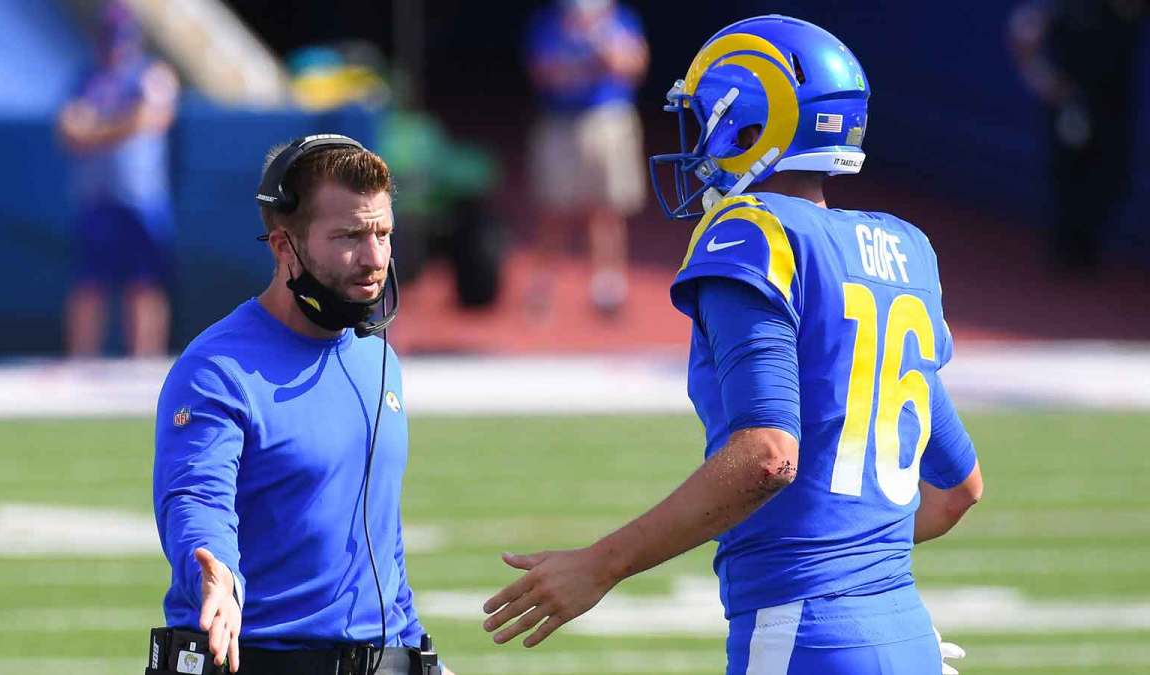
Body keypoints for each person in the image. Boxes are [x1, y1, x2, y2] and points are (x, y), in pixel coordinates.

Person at [483, 16, 983, 675]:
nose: (698, 140)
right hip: (906, 632)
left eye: (706, 117)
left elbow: (767, 455)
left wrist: (599, 564)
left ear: (755, 125)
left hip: (806, 630)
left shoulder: (754, 231)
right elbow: (958, 489)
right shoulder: (903, 249)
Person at [153, 135, 450, 675]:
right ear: (282, 244)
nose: (375, 258)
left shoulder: (377, 358)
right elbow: (194, 496)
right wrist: (214, 574)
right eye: (349, 236)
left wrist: (420, 654)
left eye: (383, 233)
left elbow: (380, 539)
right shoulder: (217, 370)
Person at [58, 1, 178, 356]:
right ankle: (80, 361)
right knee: (88, 284)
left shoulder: (152, 75)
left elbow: (151, 118)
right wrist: (121, 124)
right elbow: (68, 131)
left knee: (145, 285)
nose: (116, 46)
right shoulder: (84, 77)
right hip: (96, 196)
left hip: (141, 197)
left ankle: (144, 363)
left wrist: (98, 127)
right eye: (110, 38)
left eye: (122, 38)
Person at [524, 0, 649, 317]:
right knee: (554, 209)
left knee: (607, 208)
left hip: (609, 119)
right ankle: (543, 285)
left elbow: (634, 64)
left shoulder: (621, 19)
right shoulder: (550, 22)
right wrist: (585, 63)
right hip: (561, 122)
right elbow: (545, 73)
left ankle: (608, 288)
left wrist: (607, 51)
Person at [1008, 0, 1147, 275]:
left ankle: (1084, 249)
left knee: (1113, 173)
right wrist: (1044, 82)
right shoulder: (1069, 7)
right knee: (1070, 173)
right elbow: (1024, 31)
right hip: (1072, 103)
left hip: (1115, 108)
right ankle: (1066, 252)